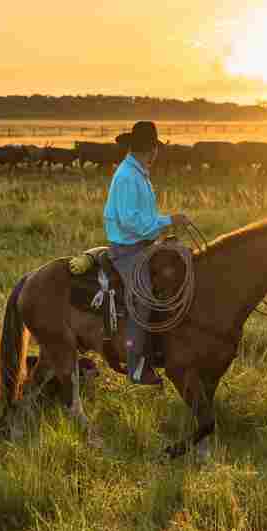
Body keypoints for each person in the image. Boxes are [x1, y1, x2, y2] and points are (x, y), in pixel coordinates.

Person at [102, 121, 189, 385]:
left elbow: (142, 218)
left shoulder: (137, 173)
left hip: (141, 244)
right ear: (151, 150)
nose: (156, 153)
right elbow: (130, 221)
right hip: (128, 249)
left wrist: (164, 224)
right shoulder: (129, 176)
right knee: (145, 296)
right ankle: (136, 365)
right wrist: (168, 221)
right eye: (155, 148)